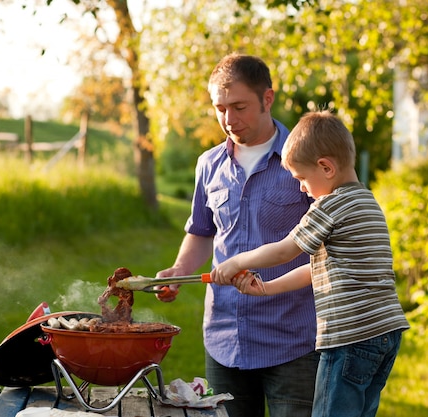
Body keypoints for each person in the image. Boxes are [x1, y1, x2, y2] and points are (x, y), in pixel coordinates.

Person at [211, 110, 410, 417]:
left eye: (302, 178)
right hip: (384, 335)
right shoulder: (366, 201)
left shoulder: (329, 205)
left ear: (326, 167)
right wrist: (266, 288)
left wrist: (235, 261)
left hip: (349, 337)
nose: (302, 188)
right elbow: (316, 268)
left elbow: (284, 251)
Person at [155, 53, 319, 417]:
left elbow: (326, 246)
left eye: (239, 106)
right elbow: (201, 232)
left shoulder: (306, 160)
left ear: (267, 99)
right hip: (225, 340)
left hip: (293, 341)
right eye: (220, 108)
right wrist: (178, 270)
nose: (229, 119)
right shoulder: (208, 164)